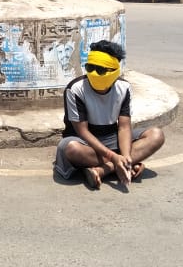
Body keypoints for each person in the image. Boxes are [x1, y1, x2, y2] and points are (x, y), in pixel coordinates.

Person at [53, 40, 165, 189]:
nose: (94, 73)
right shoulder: (75, 89)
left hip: (113, 138)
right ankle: (119, 165)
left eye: (100, 70)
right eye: (90, 67)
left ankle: (105, 169)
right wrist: (114, 156)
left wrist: (124, 157)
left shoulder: (123, 88)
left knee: (156, 135)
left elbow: (124, 128)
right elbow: (83, 132)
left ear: (113, 71)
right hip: (84, 142)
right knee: (71, 148)